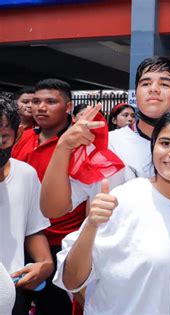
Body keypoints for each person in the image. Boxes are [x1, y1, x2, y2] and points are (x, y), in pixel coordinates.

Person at [53, 109, 170, 314]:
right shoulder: (127, 198)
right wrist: (91, 225)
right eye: (165, 143)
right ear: (153, 147)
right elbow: (72, 279)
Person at [40, 56, 170, 218]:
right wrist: (63, 147)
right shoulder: (105, 143)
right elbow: (53, 209)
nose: (153, 89)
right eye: (145, 83)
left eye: (165, 84)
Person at [12, 78, 86, 315]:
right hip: (21, 241)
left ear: (68, 107)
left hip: (61, 245)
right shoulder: (21, 138)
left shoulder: (80, 144)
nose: (40, 107)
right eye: (36, 101)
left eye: (50, 101)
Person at [0, 94, 53, 315]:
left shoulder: (26, 174)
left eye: (3, 138)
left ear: (18, 133)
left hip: (11, 295)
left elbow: (32, 229)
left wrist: (45, 264)